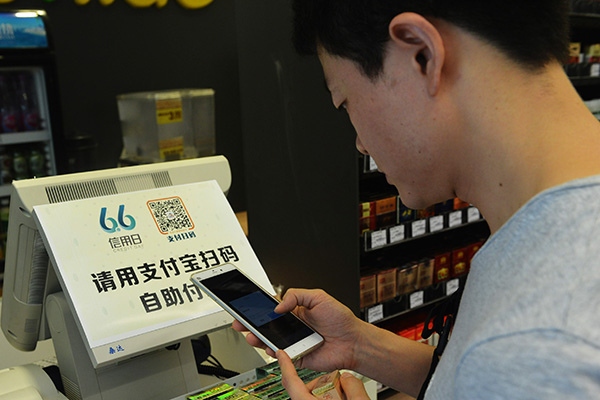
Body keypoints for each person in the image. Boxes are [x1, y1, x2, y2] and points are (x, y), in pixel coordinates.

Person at [235, 1, 600, 398]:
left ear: (421, 53)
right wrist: (360, 345)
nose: (359, 143)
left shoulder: (534, 343)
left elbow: (505, 368)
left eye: (346, 103)